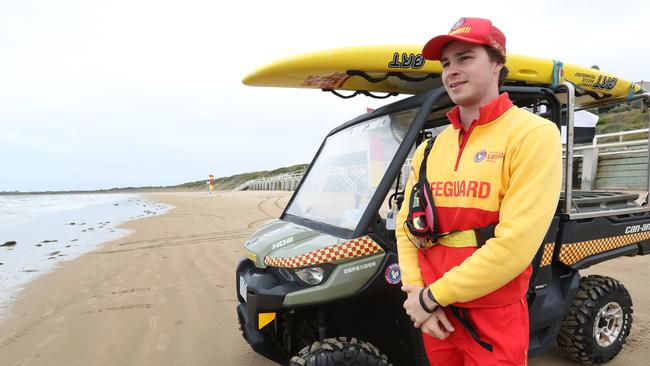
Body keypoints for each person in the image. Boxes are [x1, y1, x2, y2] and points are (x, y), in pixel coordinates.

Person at [396, 17, 562, 366]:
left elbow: (514, 246)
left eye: (464, 58)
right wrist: (415, 293)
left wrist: (429, 297)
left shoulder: (532, 134)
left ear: (497, 63)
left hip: (493, 315)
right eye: (445, 63)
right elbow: (406, 227)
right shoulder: (431, 147)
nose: (451, 71)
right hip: (436, 315)